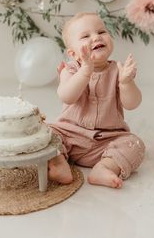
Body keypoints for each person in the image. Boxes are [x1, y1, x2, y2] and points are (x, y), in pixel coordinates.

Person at [48, 12, 145, 188]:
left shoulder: (118, 70)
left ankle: (104, 167)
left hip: (106, 140)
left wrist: (126, 82)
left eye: (101, 32)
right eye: (86, 36)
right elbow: (66, 96)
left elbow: (132, 104)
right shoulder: (70, 70)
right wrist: (85, 71)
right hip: (68, 135)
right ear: (73, 54)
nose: (96, 37)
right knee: (45, 133)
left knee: (135, 143)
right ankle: (58, 162)